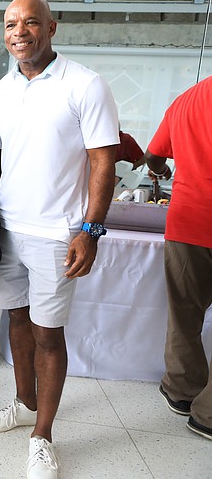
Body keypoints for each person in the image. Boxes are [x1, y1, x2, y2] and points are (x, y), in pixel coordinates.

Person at [0, 0, 119, 479]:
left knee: (47, 333)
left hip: (58, 233)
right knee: (16, 320)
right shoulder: (0, 92)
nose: (19, 32)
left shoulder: (85, 84)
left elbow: (103, 161)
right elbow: (2, 158)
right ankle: (24, 404)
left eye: (31, 22)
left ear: (52, 27)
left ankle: (42, 436)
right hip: (8, 228)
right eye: (10, 24)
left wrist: (90, 230)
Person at [144, 76, 212, 442]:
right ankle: (208, 414)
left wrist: (161, 170)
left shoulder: (188, 98)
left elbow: (154, 155)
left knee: (185, 313)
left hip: (187, 223)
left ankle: (182, 389)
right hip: (193, 221)